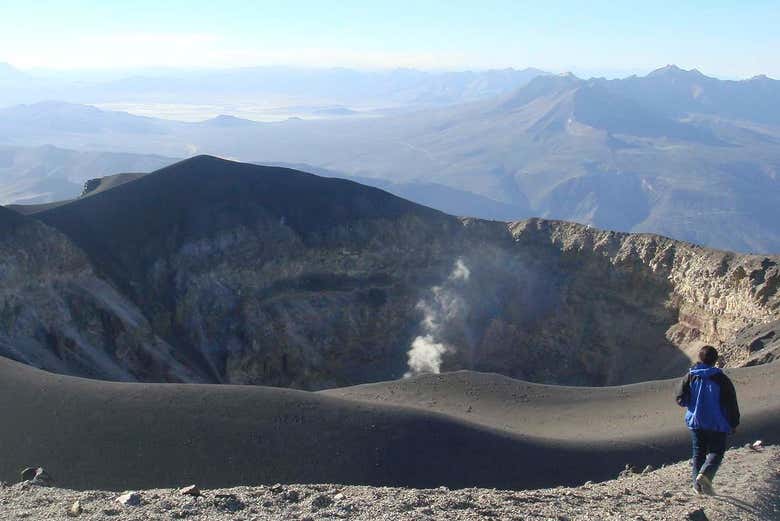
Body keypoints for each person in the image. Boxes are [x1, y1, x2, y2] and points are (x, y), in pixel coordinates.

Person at [675, 345, 740, 496]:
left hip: (696, 421)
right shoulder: (721, 379)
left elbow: (680, 398)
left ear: (700, 358)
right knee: (716, 452)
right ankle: (705, 475)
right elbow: (731, 403)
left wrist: (691, 404)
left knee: (698, 453)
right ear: (715, 360)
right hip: (717, 422)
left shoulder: (691, 376)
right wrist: (734, 423)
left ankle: (698, 487)